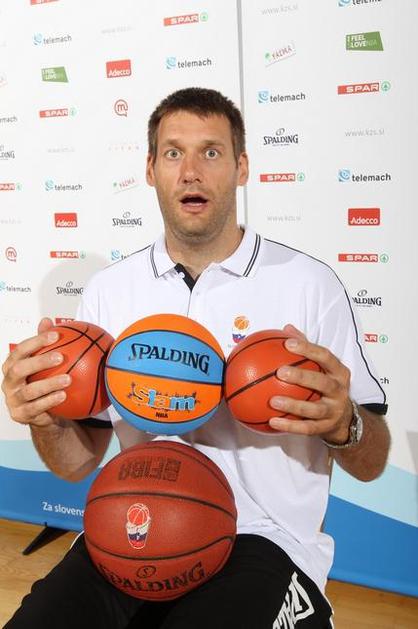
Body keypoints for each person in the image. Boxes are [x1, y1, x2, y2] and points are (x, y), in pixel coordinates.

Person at [1, 87, 390, 629]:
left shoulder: (308, 285)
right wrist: (44, 419)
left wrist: (344, 423)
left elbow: (372, 462)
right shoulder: (110, 291)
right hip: (132, 522)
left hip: (265, 540)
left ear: (241, 168)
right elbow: (77, 464)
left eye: (211, 152)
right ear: (150, 169)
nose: (190, 172)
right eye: (172, 153)